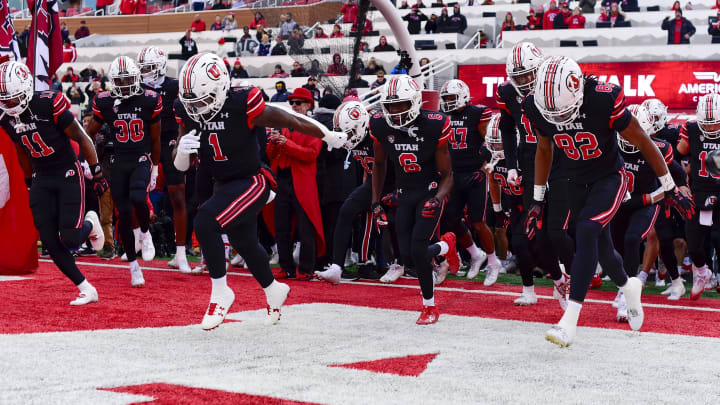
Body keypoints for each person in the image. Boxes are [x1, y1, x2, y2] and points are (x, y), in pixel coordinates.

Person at [524, 56, 694, 347]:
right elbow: (544, 148)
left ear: (577, 93)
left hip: (609, 178)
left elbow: (643, 140)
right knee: (603, 251)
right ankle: (629, 288)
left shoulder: (602, 99)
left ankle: (570, 321)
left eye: (563, 112)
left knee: (587, 230)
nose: (559, 119)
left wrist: (669, 186)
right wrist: (537, 199)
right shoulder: (536, 105)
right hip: (575, 181)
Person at [172, 53, 346, 330]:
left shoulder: (242, 103)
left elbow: (290, 119)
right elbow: (182, 164)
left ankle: (220, 293)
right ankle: (274, 290)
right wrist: (181, 153)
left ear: (219, 89)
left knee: (205, 221)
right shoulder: (191, 109)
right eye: (191, 102)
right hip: (224, 184)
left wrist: (327, 135)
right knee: (246, 243)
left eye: (202, 100)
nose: (197, 108)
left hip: (253, 181)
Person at [0, 61, 105, 305]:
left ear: (26, 89)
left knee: (70, 238)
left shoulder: (48, 103)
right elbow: (21, 150)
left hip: (67, 171)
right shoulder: (6, 116)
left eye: (14, 99)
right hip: (41, 176)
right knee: (47, 238)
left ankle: (90, 223)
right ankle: (86, 287)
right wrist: (28, 182)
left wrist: (97, 173)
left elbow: (81, 136)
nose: (10, 105)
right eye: (5, 100)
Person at [369, 74, 459, 324]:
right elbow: (378, 164)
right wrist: (375, 202)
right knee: (408, 256)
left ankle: (429, 307)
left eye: (401, 105)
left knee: (418, 249)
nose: (395, 112)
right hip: (404, 191)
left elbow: (448, 174)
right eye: (390, 106)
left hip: (430, 189)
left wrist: (438, 198)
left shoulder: (434, 124)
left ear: (416, 102)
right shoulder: (379, 124)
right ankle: (447, 247)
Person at [87, 56, 162, 287]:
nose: (124, 84)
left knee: (139, 196)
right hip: (119, 161)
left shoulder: (150, 99)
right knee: (125, 216)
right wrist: (89, 162)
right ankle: (133, 266)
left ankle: (145, 233)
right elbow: (89, 133)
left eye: (128, 79)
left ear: (137, 78)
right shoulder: (104, 101)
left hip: (140, 157)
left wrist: (156, 167)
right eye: (120, 81)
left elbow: (156, 138)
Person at [439, 79, 505, 283]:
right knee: (451, 218)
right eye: (446, 98)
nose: (448, 102)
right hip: (455, 174)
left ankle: (494, 262)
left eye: (451, 97)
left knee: (477, 221)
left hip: (475, 173)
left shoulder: (478, 112)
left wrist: (484, 164)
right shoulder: (444, 117)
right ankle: (476, 255)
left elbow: (489, 141)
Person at [136, 46, 193, 273]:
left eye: (148, 67)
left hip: (171, 140)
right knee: (135, 192)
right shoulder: (138, 88)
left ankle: (180, 252)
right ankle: (139, 237)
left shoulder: (175, 86)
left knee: (178, 194)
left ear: (159, 66)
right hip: (146, 142)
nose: (145, 72)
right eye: (143, 68)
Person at [267, 88, 325, 280]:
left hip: (302, 182)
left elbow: (310, 155)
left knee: (305, 226)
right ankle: (286, 266)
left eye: (298, 102)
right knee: (281, 226)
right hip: (282, 181)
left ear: (308, 105)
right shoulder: (283, 125)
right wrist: (274, 142)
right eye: (292, 102)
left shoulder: (314, 127)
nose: (294, 105)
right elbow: (270, 155)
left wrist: (285, 143)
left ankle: (306, 268)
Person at [676, 94, 720, 300]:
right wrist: (682, 184)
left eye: (715, 124)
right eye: (707, 124)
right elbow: (680, 152)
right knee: (692, 242)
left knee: (717, 237)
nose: (710, 128)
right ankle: (702, 271)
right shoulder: (692, 128)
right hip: (699, 190)